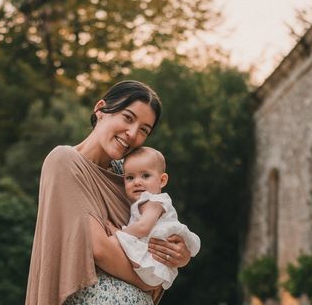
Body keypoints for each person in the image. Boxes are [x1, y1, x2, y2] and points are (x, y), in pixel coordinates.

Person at [26, 80, 192, 305]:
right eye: (128, 117)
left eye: (144, 130)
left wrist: (179, 255)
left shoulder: (130, 178)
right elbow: (99, 249)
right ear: (101, 109)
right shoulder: (65, 161)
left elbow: (151, 238)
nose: (132, 134)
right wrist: (153, 280)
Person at [115, 146, 200, 290]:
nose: (137, 182)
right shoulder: (144, 202)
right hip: (156, 269)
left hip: (153, 265)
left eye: (145, 176)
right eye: (130, 177)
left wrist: (117, 234)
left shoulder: (154, 202)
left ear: (162, 180)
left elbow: (143, 227)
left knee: (120, 241)